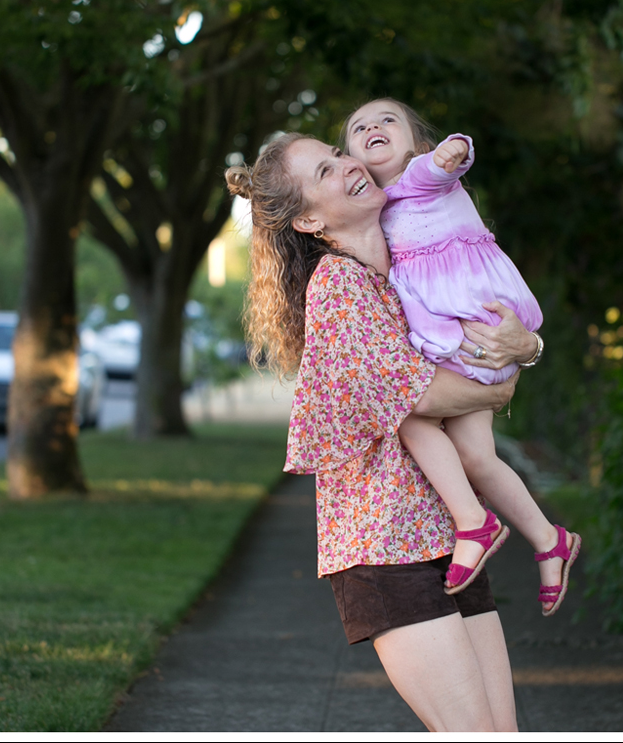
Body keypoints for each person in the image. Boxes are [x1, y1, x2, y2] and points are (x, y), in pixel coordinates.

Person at [225, 132, 542, 731]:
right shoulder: (339, 287)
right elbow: (428, 391)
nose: (348, 164)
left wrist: (526, 345)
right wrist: (505, 378)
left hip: (447, 538)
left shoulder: (412, 272)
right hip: (384, 549)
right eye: (324, 171)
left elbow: (485, 343)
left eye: (338, 154)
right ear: (310, 218)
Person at [340, 99, 580, 615]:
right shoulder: (380, 208)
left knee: (406, 411)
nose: (372, 128)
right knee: (477, 457)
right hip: (461, 337)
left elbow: (452, 158)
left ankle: (474, 522)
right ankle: (548, 539)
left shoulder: (425, 177)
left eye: (387, 121)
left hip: (474, 325)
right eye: (359, 127)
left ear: (417, 143)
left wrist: (451, 153)